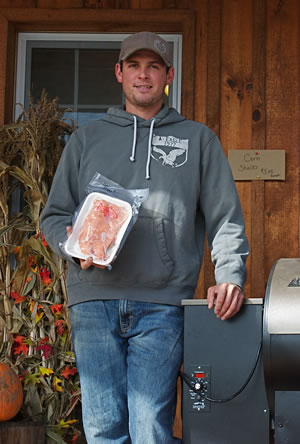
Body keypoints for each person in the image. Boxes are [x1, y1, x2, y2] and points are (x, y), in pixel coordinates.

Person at [40, 32, 249, 444]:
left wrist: (231, 275)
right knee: (102, 427)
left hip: (162, 303)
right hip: (93, 300)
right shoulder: (87, 139)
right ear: (119, 73)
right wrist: (73, 245)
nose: (143, 75)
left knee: (151, 425)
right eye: (134, 66)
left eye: (153, 66)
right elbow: (55, 215)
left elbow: (226, 216)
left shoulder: (198, 140)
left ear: (168, 75)